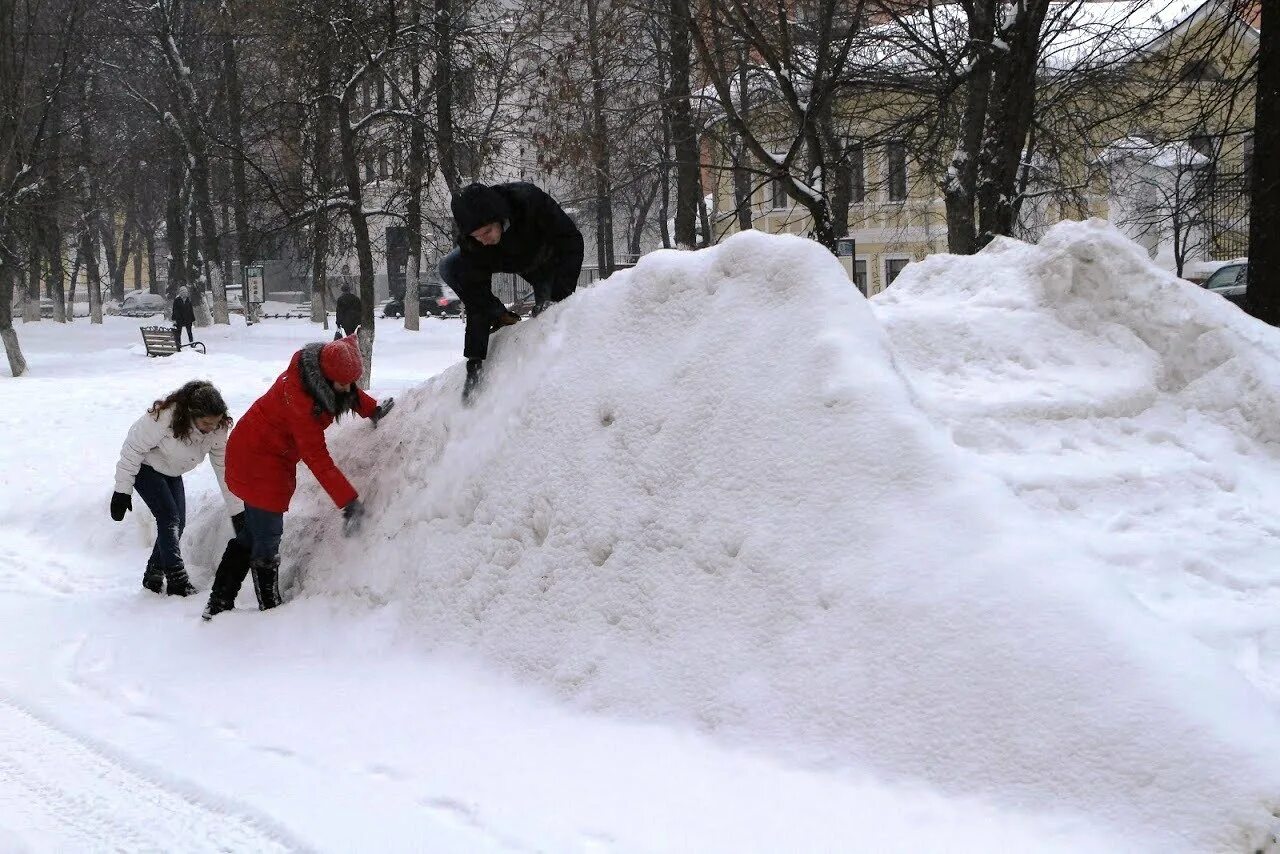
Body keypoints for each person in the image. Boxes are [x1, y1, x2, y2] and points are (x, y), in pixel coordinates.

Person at [202, 335, 395, 620]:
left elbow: (348, 391)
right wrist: (349, 502)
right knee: (267, 535)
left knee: (251, 534)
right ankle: (268, 608)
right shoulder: (300, 401)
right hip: (258, 459)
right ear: (327, 379)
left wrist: (373, 410)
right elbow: (317, 459)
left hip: (266, 451)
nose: (348, 388)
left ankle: (219, 602)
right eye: (342, 383)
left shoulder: (323, 376)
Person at [439, 181, 584, 402]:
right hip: (508, 258)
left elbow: (571, 241)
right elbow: (475, 295)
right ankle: (500, 315)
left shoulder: (528, 201)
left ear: (499, 216)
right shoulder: (474, 243)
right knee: (451, 267)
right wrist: (475, 361)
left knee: (549, 322)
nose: (484, 240)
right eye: (477, 236)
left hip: (545, 261)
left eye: (487, 231)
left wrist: (560, 293)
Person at [111, 381, 244, 596]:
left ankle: (154, 573)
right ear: (191, 414)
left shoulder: (218, 430)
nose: (211, 427)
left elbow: (224, 470)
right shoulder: (165, 417)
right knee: (169, 518)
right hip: (145, 467)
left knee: (178, 523)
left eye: (215, 422)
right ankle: (177, 579)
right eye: (205, 422)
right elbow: (132, 448)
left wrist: (238, 512)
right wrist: (122, 489)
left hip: (171, 472)